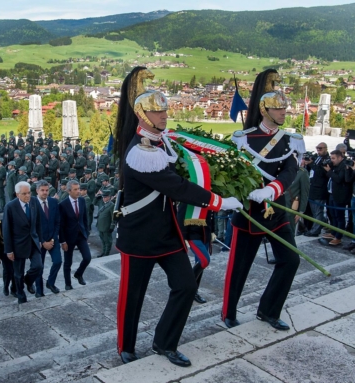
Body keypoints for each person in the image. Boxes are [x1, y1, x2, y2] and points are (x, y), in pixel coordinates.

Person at [114, 67, 242, 367]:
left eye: (164, 110)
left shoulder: (162, 142)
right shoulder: (140, 152)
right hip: (140, 237)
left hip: (168, 234)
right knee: (132, 296)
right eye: (157, 112)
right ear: (143, 115)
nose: (163, 116)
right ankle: (126, 345)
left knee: (185, 286)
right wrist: (218, 201)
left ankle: (165, 342)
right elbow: (176, 186)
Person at [222, 69, 302, 332]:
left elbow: (290, 171)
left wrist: (273, 189)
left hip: (277, 209)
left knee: (291, 260)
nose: (283, 113)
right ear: (265, 110)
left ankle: (269, 310)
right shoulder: (244, 139)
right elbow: (234, 174)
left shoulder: (291, 140)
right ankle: (229, 311)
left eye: (284, 108)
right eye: (278, 109)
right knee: (239, 268)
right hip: (249, 213)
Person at [3, 181, 43, 304]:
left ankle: (28, 280)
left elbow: (38, 222)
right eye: (24, 193)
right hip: (18, 245)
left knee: (38, 266)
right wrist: (9, 250)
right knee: (18, 274)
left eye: (29, 192)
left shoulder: (34, 202)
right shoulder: (10, 207)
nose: (27, 196)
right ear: (17, 194)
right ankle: (21, 295)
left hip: (33, 242)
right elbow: (6, 229)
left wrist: (40, 239)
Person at [59, 180, 92, 290]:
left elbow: (84, 218)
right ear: (69, 191)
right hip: (68, 238)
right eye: (76, 189)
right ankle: (68, 284)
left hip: (81, 235)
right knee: (68, 262)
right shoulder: (63, 205)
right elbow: (61, 225)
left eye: (79, 189)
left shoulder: (82, 201)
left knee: (87, 257)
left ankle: (78, 274)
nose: (78, 191)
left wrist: (86, 233)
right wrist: (63, 241)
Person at [34, 180, 62, 297]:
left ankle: (50, 283)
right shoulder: (32, 203)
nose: (45, 193)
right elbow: (32, 226)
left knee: (58, 261)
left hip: (52, 239)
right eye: (42, 190)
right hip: (39, 242)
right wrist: (42, 241)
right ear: (37, 191)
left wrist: (53, 239)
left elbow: (57, 222)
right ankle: (39, 291)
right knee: (39, 267)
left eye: (47, 190)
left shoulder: (53, 202)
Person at [321, 150, 351, 246]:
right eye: (331, 158)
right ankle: (333, 232)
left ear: (340, 157)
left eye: (333, 158)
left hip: (340, 195)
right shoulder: (335, 165)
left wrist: (329, 171)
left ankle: (338, 237)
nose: (332, 160)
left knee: (340, 217)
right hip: (332, 194)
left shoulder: (344, 166)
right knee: (333, 215)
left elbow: (339, 179)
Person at [304, 143, 330, 237]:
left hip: (320, 189)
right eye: (317, 148)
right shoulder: (317, 158)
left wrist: (311, 164)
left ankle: (315, 231)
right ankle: (320, 224)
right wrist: (308, 163)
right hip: (312, 187)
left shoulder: (327, 159)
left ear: (326, 149)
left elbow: (321, 173)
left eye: (320, 148)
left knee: (318, 211)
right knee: (314, 211)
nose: (318, 150)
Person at [283, 157, 310, 235]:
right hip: (279, 205)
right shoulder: (283, 170)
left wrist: (301, 211)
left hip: (291, 207)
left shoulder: (302, 173)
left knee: (290, 231)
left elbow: (305, 193)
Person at [96, 189, 115, 257]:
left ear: (109, 197)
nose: (104, 198)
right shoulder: (102, 203)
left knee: (107, 241)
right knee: (103, 240)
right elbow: (94, 202)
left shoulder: (111, 205)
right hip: (100, 225)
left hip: (106, 226)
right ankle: (103, 252)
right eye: (103, 197)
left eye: (105, 197)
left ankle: (106, 253)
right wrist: (97, 196)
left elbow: (113, 217)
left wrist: (112, 226)